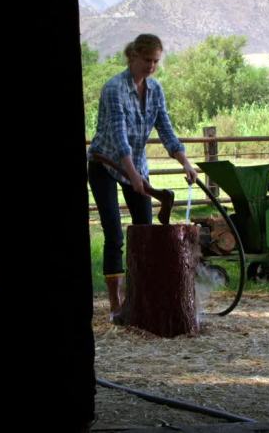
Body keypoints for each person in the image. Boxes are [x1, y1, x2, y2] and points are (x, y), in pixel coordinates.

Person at [86, 33, 198, 322]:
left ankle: (141, 298)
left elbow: (165, 128)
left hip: (136, 165)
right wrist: (133, 176)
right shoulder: (114, 89)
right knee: (114, 233)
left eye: (156, 61)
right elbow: (119, 135)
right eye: (147, 60)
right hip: (105, 163)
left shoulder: (156, 89)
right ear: (133, 56)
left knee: (145, 230)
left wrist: (185, 162)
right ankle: (116, 304)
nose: (151, 66)